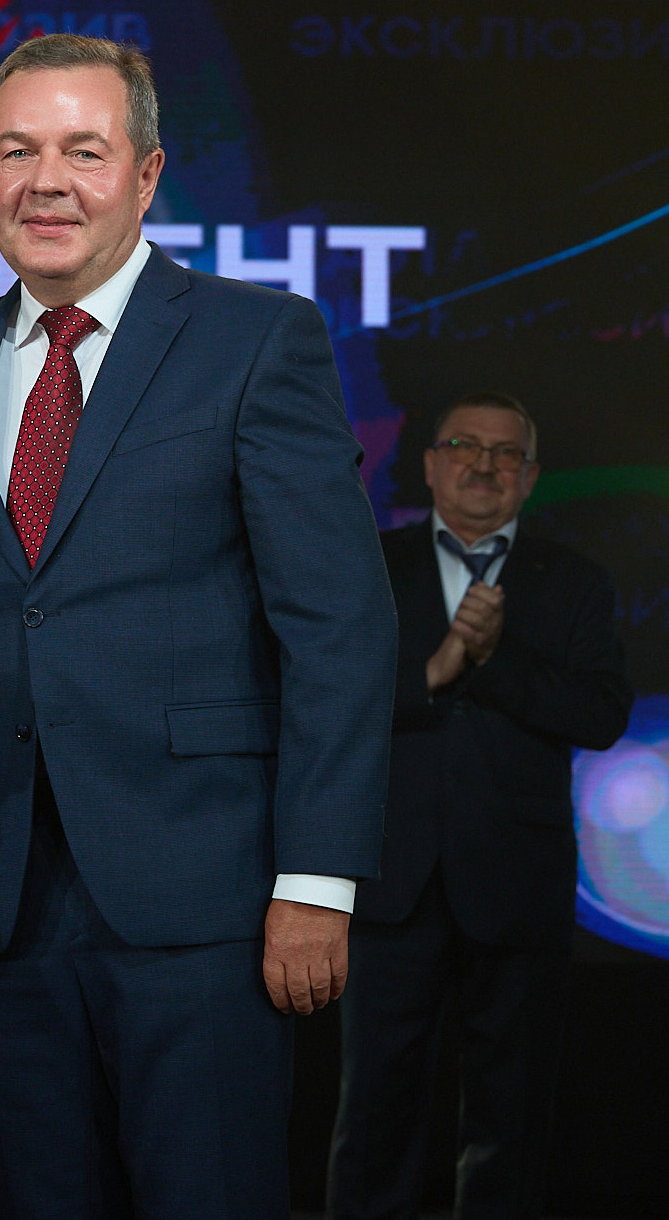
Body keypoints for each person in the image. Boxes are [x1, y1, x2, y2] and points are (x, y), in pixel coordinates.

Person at [0, 33, 398, 1218]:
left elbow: (337, 629)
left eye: (83, 150)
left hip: (210, 902)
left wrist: (316, 881)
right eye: (15, 150)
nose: (45, 182)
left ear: (148, 173)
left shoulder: (254, 340)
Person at [328, 393, 632, 1220]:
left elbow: (602, 713)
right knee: (376, 1106)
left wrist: (493, 659)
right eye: (465, 444)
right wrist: (434, 671)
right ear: (431, 465)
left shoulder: (574, 581)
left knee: (511, 1113)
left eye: (506, 453)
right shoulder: (367, 563)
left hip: (518, 882)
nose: (484, 464)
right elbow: (326, 693)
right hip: (392, 878)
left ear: (529, 477)